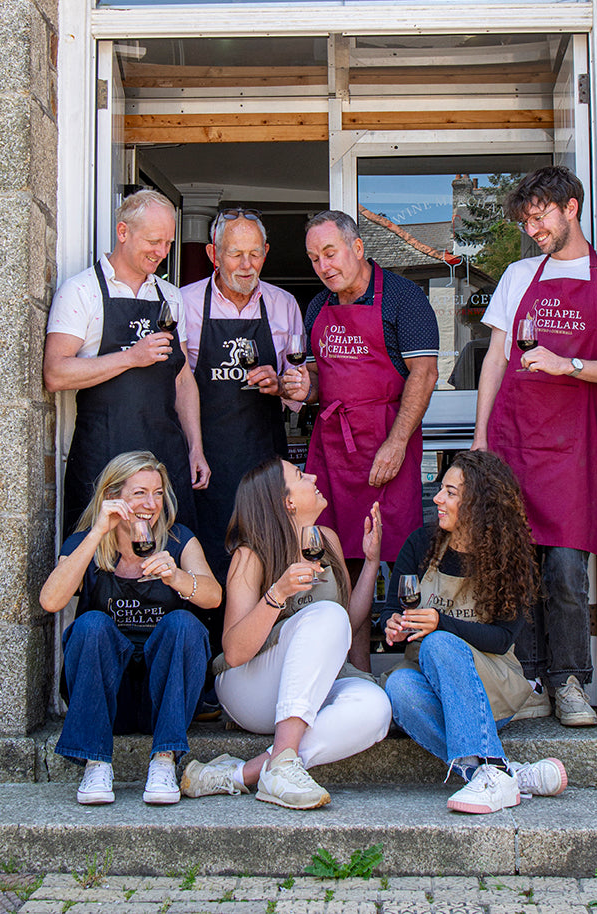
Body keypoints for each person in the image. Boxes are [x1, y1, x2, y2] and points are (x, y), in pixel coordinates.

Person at [472, 166, 597, 727]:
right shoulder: (519, 275)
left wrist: (567, 364)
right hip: (514, 439)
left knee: (566, 568)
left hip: (572, 445)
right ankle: (531, 680)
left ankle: (570, 682)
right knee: (516, 565)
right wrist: (478, 441)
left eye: (540, 216)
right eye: (527, 220)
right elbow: (495, 358)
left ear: (571, 207)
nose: (533, 228)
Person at [179, 457, 392, 810]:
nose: (312, 476)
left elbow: (348, 623)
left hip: (310, 690)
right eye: (300, 475)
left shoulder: (328, 540)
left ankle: (250, 772)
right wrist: (277, 594)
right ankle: (281, 762)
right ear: (287, 501)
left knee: (376, 708)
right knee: (325, 613)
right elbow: (233, 652)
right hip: (253, 687)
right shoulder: (250, 555)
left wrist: (371, 562)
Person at [285, 210, 439, 670]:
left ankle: (413, 675)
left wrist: (395, 444)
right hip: (333, 450)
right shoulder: (317, 307)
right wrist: (301, 389)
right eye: (314, 259)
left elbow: (425, 375)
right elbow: (317, 381)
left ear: (357, 247)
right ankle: (354, 674)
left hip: (388, 442)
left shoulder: (404, 300)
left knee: (402, 559)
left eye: (329, 253)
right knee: (338, 564)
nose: (323, 266)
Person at [382, 450, 568, 815]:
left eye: (450, 492)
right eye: (442, 490)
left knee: (438, 643)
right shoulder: (420, 546)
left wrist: (441, 623)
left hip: (490, 690)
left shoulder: (510, 557)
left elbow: (501, 639)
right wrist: (393, 624)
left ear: (478, 503)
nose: (437, 498)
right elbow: (393, 609)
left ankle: (489, 769)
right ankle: (501, 771)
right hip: (431, 686)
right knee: (398, 688)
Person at [39, 451, 221, 806]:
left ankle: (164, 760)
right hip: (105, 699)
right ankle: (96, 763)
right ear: (113, 497)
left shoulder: (179, 540)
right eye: (139, 493)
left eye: (157, 493)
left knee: (184, 623)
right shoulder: (84, 544)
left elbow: (213, 597)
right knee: (90, 624)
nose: (151, 503)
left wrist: (178, 578)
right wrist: (96, 532)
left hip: (164, 700)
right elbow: (50, 600)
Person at [44, 189, 210, 534]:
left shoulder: (170, 297)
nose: (162, 252)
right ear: (123, 233)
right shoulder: (81, 292)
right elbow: (56, 372)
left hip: (164, 456)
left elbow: (181, 379)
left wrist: (195, 447)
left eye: (168, 242)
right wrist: (132, 357)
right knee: (100, 562)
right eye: (154, 241)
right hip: (104, 458)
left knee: (170, 558)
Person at [181, 208, 307, 585]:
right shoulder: (183, 303)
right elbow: (175, 384)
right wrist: (192, 449)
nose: (247, 265)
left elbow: (300, 386)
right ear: (212, 254)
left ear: (266, 252)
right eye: (235, 254)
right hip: (204, 461)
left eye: (255, 254)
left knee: (265, 559)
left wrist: (283, 384)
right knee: (207, 559)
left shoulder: (284, 305)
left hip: (264, 459)